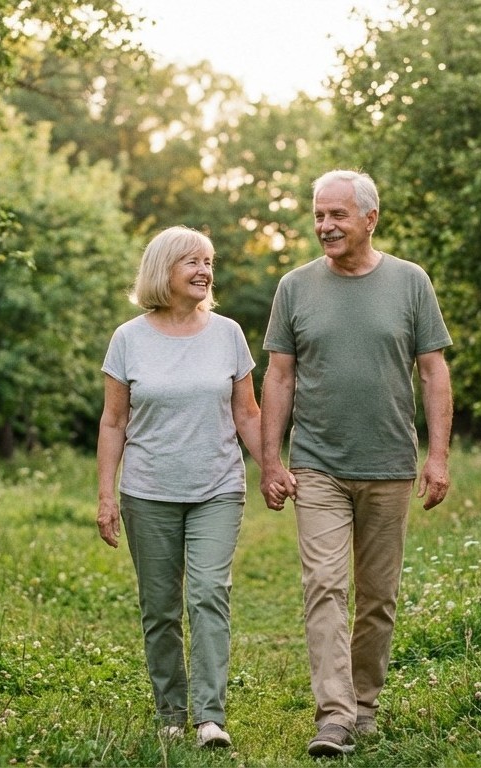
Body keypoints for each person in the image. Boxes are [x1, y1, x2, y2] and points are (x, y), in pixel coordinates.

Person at [259, 169, 453, 757]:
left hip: (390, 464)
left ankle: (365, 704)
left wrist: (437, 455)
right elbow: (280, 376)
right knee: (324, 585)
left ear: (370, 218)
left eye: (337, 215)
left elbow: (433, 371)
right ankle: (335, 715)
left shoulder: (410, 282)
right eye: (319, 215)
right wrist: (271, 460)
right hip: (317, 463)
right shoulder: (294, 287)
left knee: (377, 596)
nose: (325, 226)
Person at [96, 225, 262, 750]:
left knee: (209, 593)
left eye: (208, 261)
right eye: (191, 261)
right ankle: (171, 709)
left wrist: (272, 467)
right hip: (148, 492)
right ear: (162, 269)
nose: (204, 270)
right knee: (160, 607)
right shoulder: (128, 338)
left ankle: (209, 716)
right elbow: (113, 422)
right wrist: (107, 495)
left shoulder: (229, 333)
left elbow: (247, 412)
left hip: (217, 486)